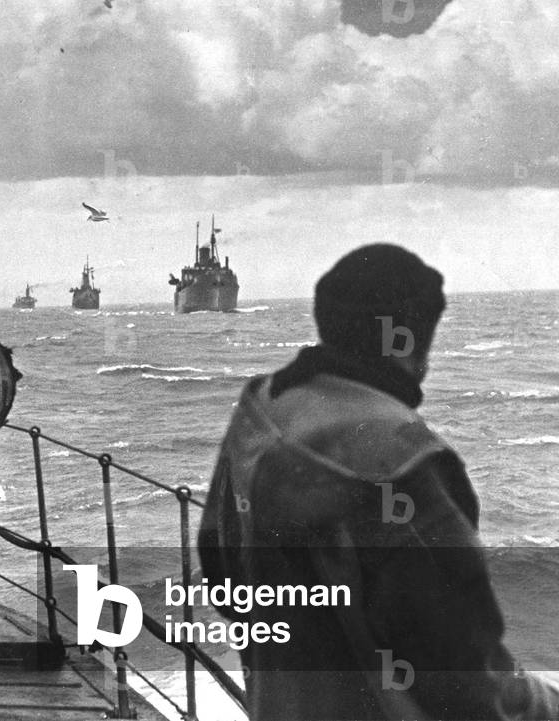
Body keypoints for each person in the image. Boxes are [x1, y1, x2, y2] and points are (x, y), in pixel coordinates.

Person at [198, 243, 559, 721]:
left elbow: (221, 573)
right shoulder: (405, 460)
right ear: (404, 338)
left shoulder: (261, 410)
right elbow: (464, 678)